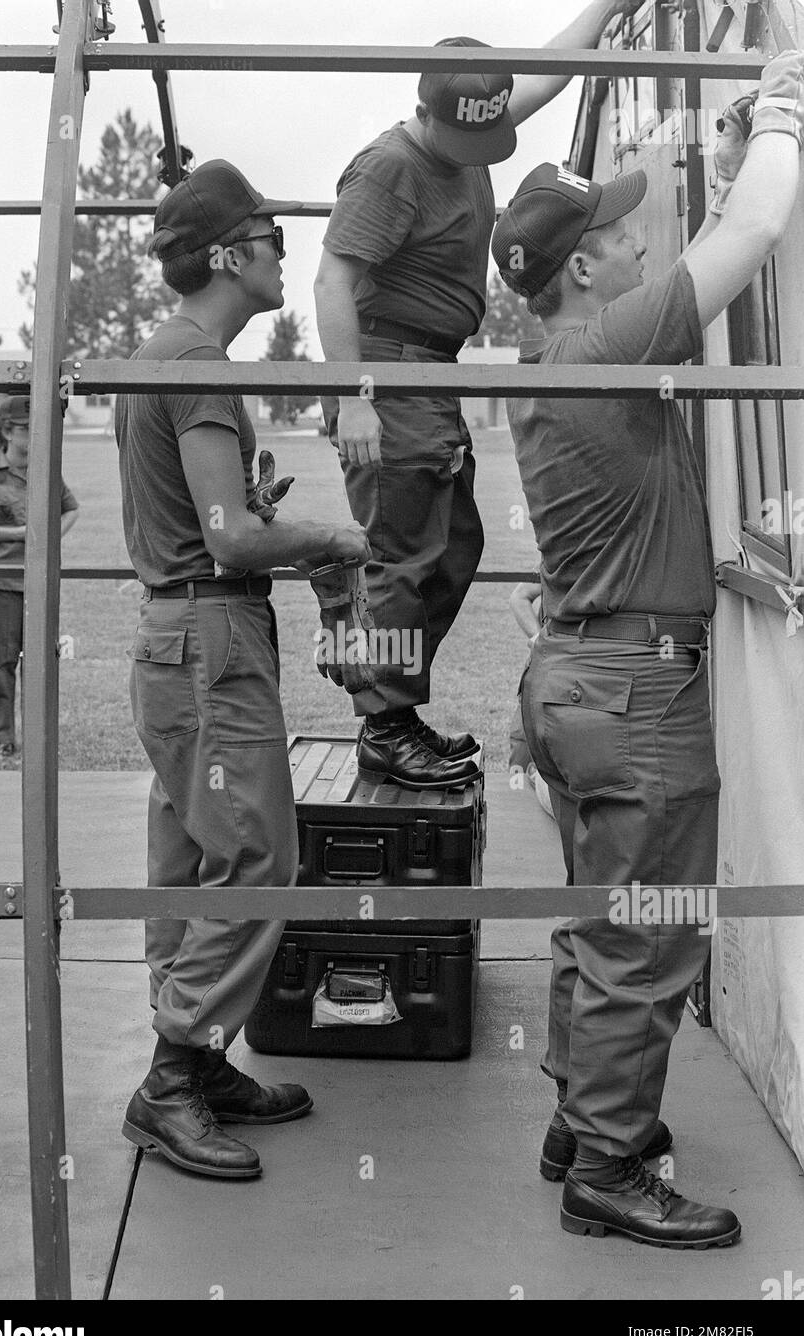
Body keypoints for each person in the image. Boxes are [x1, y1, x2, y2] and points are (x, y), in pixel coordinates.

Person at [493, 51, 804, 1247]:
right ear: (582, 269)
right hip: (634, 691)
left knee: (595, 915)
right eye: (618, 235)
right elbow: (756, 232)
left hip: (577, 681)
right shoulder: (605, 344)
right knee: (649, 930)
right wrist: (779, 119)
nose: (639, 242)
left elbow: (722, 230)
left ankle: (582, 1116)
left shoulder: (553, 360)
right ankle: (609, 1170)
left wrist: (729, 155)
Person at [116, 159, 371, 1180]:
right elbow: (227, 538)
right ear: (228, 254)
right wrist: (329, 540)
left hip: (176, 640)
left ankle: (198, 1057)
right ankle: (173, 1080)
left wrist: (261, 522)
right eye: (270, 239)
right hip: (209, 639)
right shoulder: (198, 363)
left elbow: (210, 520)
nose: (283, 256)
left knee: (190, 861)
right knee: (257, 863)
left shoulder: (167, 353)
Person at [314, 4, 644, 791]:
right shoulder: (389, 167)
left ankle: (384, 696)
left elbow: (552, 69)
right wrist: (354, 394)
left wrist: (606, 6)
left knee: (453, 547)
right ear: (426, 108)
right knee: (403, 556)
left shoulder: (468, 130)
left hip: (430, 374)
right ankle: (383, 722)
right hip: (389, 373)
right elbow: (331, 278)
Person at [0, 396, 79, 761]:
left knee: (40, 661)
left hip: (38, 582)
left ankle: (37, 739)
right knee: (3, 664)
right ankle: (5, 740)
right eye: (24, 429)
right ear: (5, 432)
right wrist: (19, 535)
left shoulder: (46, 472)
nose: (32, 435)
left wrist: (46, 539)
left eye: (35, 428)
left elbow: (71, 509)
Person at [508, 581, 553, 818]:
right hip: (542, 675)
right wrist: (538, 639)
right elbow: (520, 595)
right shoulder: (565, 555)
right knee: (521, 760)